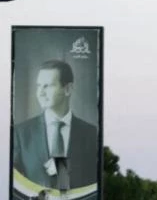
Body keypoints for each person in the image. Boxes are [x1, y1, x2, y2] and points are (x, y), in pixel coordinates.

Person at [13, 59, 98, 190]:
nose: (40, 93)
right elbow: (15, 185)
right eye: (38, 86)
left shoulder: (91, 134)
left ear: (68, 89)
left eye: (47, 86)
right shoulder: (21, 133)